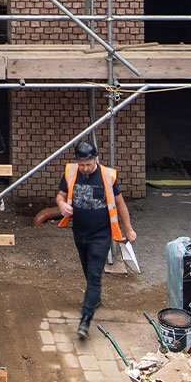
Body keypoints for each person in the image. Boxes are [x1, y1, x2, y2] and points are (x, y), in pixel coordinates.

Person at [55, 139, 134, 341]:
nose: (85, 168)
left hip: (102, 235)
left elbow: (121, 205)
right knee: (88, 272)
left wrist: (129, 230)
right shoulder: (71, 172)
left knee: (94, 275)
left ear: (96, 159)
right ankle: (95, 298)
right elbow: (60, 195)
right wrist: (62, 205)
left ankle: (85, 319)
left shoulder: (108, 176)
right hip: (80, 233)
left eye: (88, 164)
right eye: (82, 165)